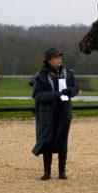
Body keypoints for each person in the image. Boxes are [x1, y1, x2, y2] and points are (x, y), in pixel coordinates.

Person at [30, 47, 80, 180]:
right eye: (56, 57)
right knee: (47, 141)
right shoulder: (41, 75)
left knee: (63, 141)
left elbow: (76, 88)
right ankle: (47, 172)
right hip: (48, 113)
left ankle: (62, 172)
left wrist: (71, 92)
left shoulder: (68, 73)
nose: (59, 59)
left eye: (60, 56)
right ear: (49, 60)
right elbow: (37, 95)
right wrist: (54, 95)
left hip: (64, 112)